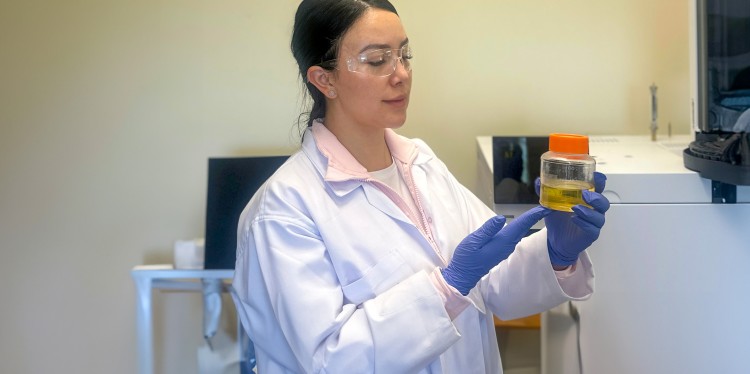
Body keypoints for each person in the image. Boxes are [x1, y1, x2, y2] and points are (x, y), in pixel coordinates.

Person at [231, 1, 610, 373]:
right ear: (324, 79)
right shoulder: (284, 210)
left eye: (404, 55)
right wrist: (446, 288)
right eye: (377, 60)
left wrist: (556, 254)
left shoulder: (420, 163)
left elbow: (493, 283)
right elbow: (330, 359)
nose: (401, 74)